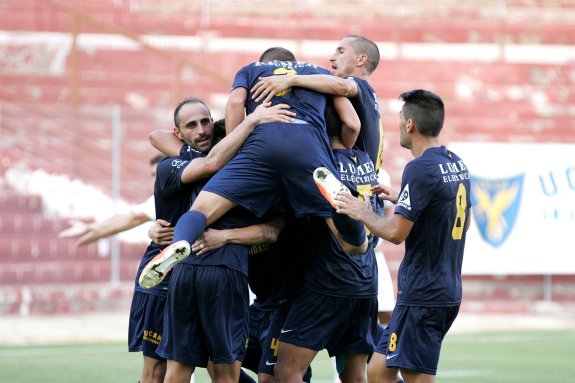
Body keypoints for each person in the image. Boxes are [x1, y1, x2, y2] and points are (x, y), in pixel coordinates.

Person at [140, 47, 368, 290]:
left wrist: (238, 153)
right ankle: (339, 203)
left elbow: (236, 101)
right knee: (354, 245)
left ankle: (180, 242)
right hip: (309, 150)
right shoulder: (318, 73)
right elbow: (352, 123)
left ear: (265, 63)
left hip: (260, 147)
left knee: (201, 212)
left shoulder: (250, 70)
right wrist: (338, 152)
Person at [132, 97, 295, 383]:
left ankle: (180, 243)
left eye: (205, 122)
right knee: (210, 368)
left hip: (184, 268)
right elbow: (165, 140)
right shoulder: (196, 166)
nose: (202, 130)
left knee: (179, 366)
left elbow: (162, 139)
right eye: (191, 125)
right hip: (183, 274)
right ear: (179, 133)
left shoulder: (202, 163)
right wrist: (252, 120)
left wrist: (224, 236)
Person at [328, 90, 472, 383]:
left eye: (399, 120)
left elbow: (395, 233)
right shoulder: (456, 163)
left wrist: (361, 211)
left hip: (424, 294)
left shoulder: (418, 169)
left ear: (410, 125)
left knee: (415, 376)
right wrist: (407, 200)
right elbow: (462, 221)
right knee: (380, 371)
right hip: (442, 289)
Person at [273, 99, 381, 383]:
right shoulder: (365, 160)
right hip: (366, 281)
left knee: (286, 371)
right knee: (354, 376)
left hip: (330, 282)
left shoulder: (319, 166)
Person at [251, 35, 383, 170]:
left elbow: (345, 88)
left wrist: (291, 79)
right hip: (364, 179)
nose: (332, 57)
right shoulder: (369, 97)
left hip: (349, 179)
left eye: (341, 51)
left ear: (361, 59)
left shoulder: (358, 85)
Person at [57, 154, 164, 247]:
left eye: (160, 173)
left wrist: (91, 229)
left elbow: (134, 218)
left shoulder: (172, 195)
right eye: (153, 175)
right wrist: (90, 228)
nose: (156, 179)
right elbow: (132, 217)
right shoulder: (160, 198)